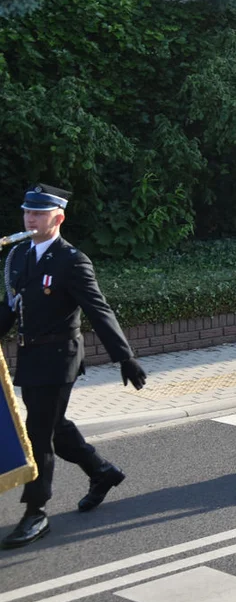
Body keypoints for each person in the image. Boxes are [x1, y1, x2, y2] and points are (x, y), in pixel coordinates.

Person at [0, 184, 147, 549]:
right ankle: (102, 471)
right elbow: (10, 307)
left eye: (39, 214)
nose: (30, 220)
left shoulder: (71, 260)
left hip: (59, 357)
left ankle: (36, 512)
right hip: (30, 357)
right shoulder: (18, 256)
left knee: (38, 433)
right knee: (55, 425)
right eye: (27, 213)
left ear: (58, 218)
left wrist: (124, 356)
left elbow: (98, 311)